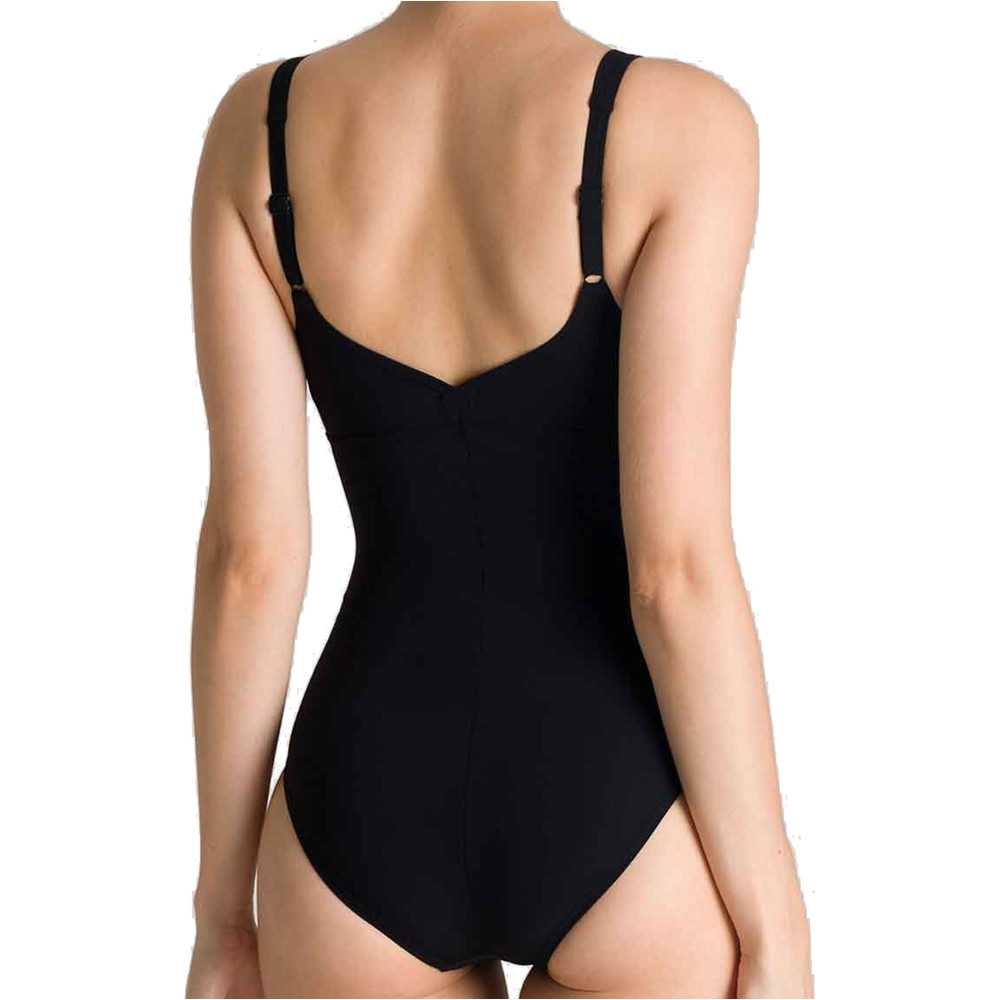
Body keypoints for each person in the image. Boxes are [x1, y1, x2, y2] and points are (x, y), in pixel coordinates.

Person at [186, 4, 812, 997]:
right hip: (617, 801)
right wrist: (776, 922)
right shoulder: (682, 127)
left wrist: (224, 920)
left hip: (359, 805)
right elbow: (674, 576)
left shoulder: (259, 128)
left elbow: (249, 561)